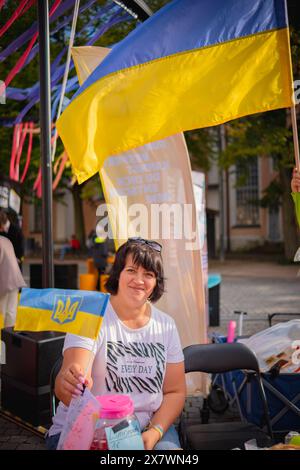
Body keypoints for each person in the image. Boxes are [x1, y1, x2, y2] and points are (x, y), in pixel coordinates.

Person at [46, 237, 186, 450]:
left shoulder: (166, 326)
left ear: (156, 282)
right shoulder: (91, 314)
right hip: (89, 429)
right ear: (118, 273)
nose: (139, 280)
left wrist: (155, 432)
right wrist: (73, 381)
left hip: (146, 426)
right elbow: (69, 385)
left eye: (148, 274)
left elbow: (175, 392)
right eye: (131, 270)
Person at [0, 236, 26, 327]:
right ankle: (9, 338)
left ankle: (2, 339)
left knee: (1, 312)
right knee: (11, 312)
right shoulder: (6, 240)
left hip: (4, 281)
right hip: (15, 279)